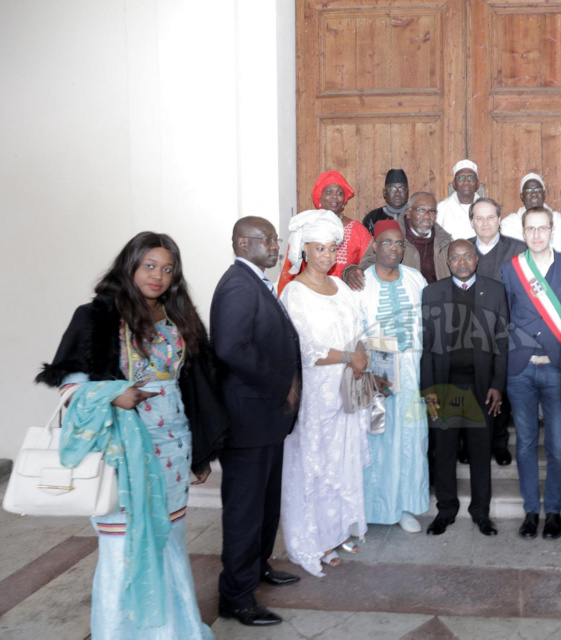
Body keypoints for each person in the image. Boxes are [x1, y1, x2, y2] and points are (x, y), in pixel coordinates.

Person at [36, 232, 226, 638]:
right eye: (150, 265)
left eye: (167, 268)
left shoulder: (180, 318)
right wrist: (113, 393)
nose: (158, 275)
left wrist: (201, 453)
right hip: (121, 450)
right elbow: (69, 386)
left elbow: (197, 388)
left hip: (172, 448)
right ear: (131, 265)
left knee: (169, 543)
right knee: (122, 548)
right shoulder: (96, 316)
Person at [211, 216, 302, 627]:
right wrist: (281, 384)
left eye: (276, 239)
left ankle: (258, 566)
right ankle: (236, 596)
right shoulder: (237, 284)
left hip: (268, 418)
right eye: (268, 240)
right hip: (249, 418)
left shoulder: (258, 282)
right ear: (242, 243)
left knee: (266, 503)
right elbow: (231, 347)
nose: (275, 246)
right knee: (245, 510)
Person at [279, 209, 371, 575]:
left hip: (346, 390)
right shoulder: (294, 293)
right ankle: (312, 539)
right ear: (304, 250)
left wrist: (361, 352)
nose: (328, 256)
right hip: (316, 395)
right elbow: (307, 349)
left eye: (333, 249)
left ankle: (336, 531)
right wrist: (351, 355)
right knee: (314, 465)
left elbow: (358, 325)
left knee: (341, 463)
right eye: (320, 249)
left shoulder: (343, 287)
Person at [502, 207, 561, 539]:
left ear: (552, 231)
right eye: (530, 229)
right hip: (520, 370)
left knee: (559, 446)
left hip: (558, 370)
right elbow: (504, 315)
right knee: (524, 443)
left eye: (542, 228)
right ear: (523, 233)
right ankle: (530, 511)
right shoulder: (511, 269)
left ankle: (553, 512)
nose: (536, 235)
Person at [421, 240, 509, 537]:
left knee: (480, 453)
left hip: (480, 387)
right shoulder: (432, 293)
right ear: (448, 261)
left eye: (466, 256)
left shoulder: (495, 291)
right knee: (443, 452)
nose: (461, 262)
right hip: (445, 387)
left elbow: (502, 343)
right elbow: (426, 348)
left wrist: (498, 384)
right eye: (455, 257)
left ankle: (481, 513)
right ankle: (446, 510)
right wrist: (428, 391)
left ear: (476, 259)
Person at [358, 220, 430, 533]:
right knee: (378, 441)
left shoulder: (416, 279)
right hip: (376, 376)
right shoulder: (360, 282)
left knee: (412, 440)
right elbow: (352, 329)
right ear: (374, 246)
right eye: (387, 242)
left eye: (399, 244)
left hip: (413, 373)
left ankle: (405, 507)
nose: (393, 249)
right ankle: (373, 508)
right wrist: (367, 372)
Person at [469, 197, 526, 466]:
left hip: (508, 331)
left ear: (499, 219)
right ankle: (469, 444)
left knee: (501, 388)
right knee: (471, 389)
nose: (485, 223)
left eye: (490, 217)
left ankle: (499, 443)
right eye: (479, 218)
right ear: (471, 222)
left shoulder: (518, 249)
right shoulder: (462, 249)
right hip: (468, 334)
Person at [278, 170, 371, 293]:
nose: (334, 196)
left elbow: (371, 260)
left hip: (348, 297)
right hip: (310, 294)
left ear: (344, 201)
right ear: (319, 199)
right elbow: (292, 267)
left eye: (339, 193)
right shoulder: (307, 227)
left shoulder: (357, 230)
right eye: (329, 192)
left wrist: (353, 271)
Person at [344, 191, 453, 290]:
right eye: (421, 210)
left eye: (432, 211)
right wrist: (350, 272)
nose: (427, 216)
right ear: (409, 212)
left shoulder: (445, 241)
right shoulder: (391, 236)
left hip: (439, 304)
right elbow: (367, 264)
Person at [500, 173, 561, 251]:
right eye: (528, 190)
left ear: (544, 195)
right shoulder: (510, 223)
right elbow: (515, 252)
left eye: (538, 190)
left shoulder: (556, 219)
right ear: (522, 197)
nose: (534, 194)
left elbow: (559, 250)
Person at [436, 159, 481, 240]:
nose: (466, 181)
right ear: (454, 184)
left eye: (471, 177)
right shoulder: (441, 208)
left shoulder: (488, 208)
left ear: (477, 184)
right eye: (460, 177)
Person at [362, 168, 410, 235]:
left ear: (407, 193)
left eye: (402, 188)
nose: (397, 193)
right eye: (392, 188)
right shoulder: (372, 218)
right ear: (384, 193)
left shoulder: (416, 215)